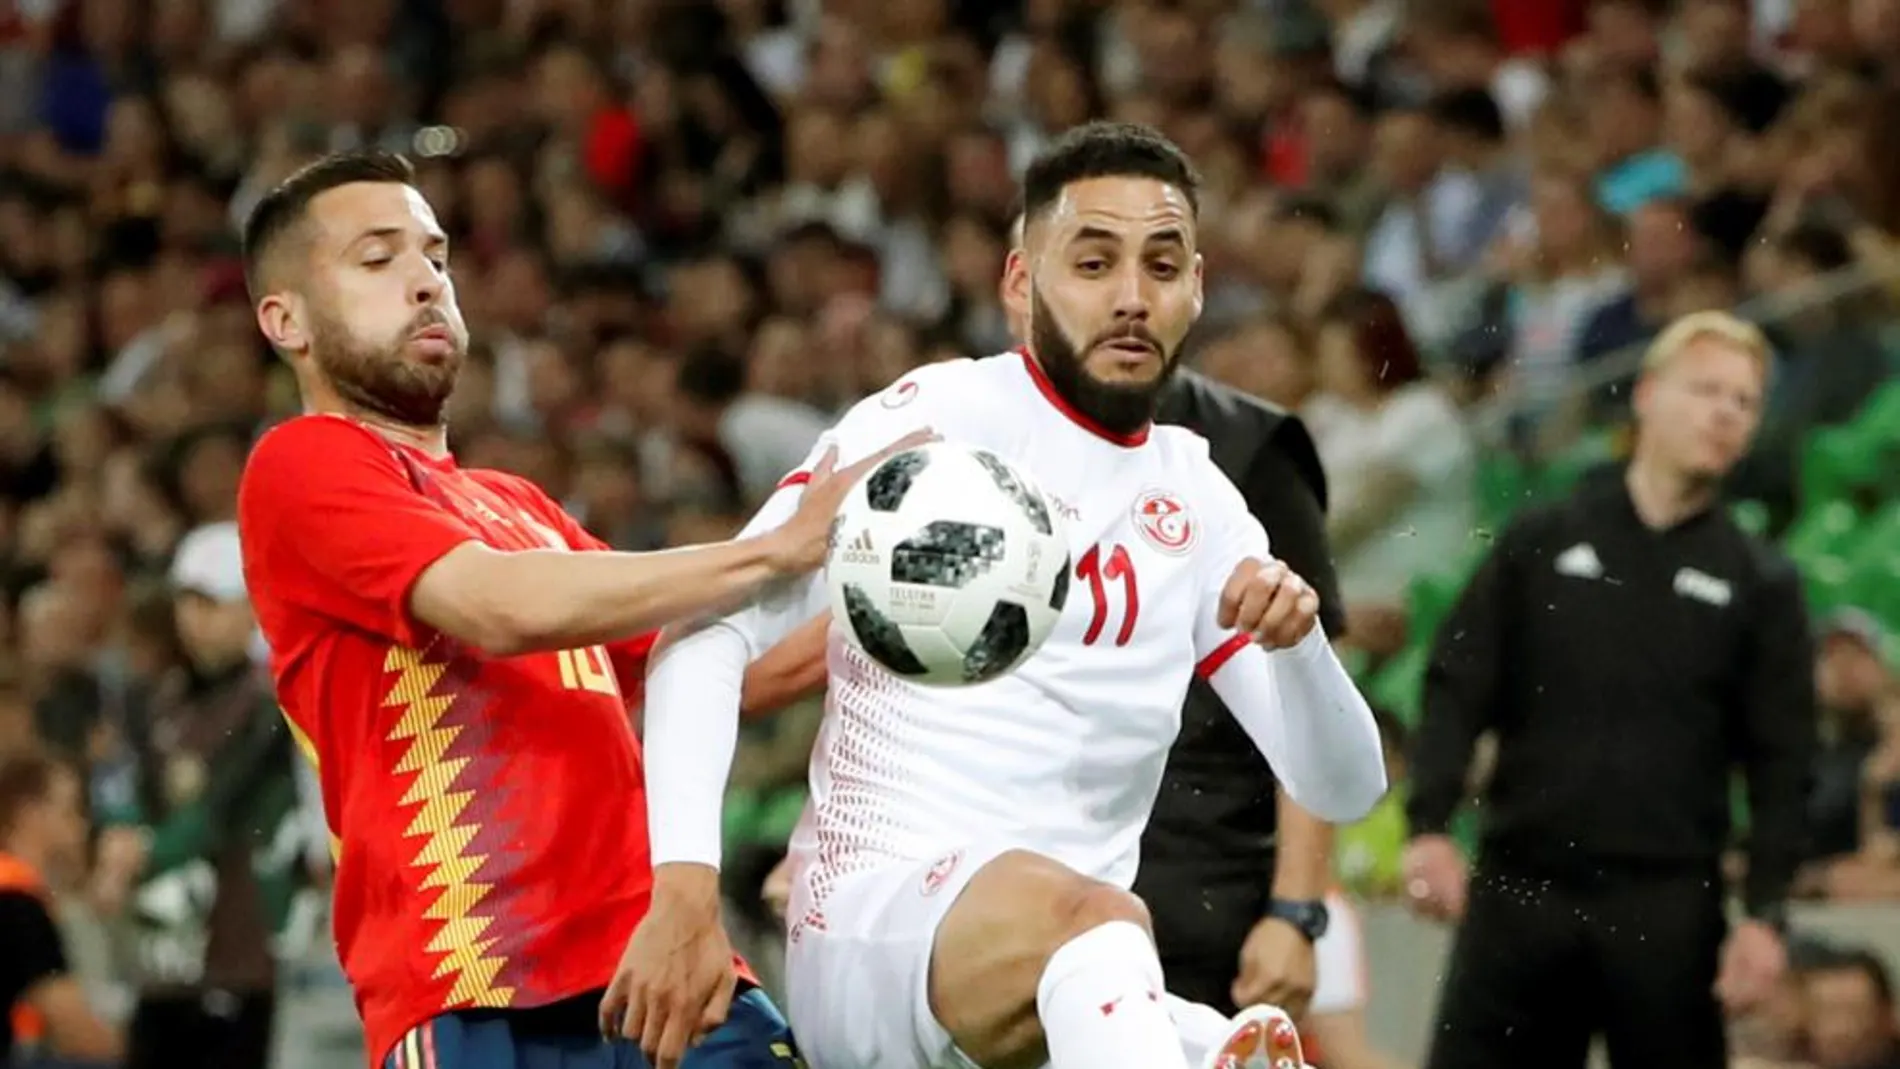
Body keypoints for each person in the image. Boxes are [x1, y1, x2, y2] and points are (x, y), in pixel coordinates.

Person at [615, 122, 1388, 1069]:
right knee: (1103, 920)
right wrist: (684, 886)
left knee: (1109, 942)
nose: (1132, 298)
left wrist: (1298, 645)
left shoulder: (1200, 499)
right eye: (1094, 263)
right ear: (1021, 284)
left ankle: (1185, 1039)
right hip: (872, 924)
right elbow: (705, 631)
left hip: (1067, 984)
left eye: (1161, 264)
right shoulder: (934, 423)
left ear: (1198, 286)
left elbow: (1345, 784)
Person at [234, 150, 912, 1069]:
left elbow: (719, 675)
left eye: (435, 256)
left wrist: (913, 597)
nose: (426, 282)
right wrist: (770, 552)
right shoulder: (302, 465)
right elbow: (494, 606)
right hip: (478, 992)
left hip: (661, 966)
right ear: (286, 320)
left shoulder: (520, 504)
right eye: (376, 259)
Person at [1403, 309, 1818, 1069]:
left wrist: (1764, 914)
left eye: (1745, 401)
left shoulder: (1760, 580)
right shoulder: (1543, 540)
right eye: (1707, 390)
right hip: (1521, 885)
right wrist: (1428, 823)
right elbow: (1457, 684)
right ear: (1649, 394)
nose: (1726, 412)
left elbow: (1784, 762)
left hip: (1666, 905)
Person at [88, 522, 307, 1069]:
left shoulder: (272, 703)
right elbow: (126, 777)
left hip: (242, 945)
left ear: (250, 608)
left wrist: (140, 853)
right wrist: (118, 833)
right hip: (163, 956)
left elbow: (222, 803)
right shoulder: (156, 696)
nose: (194, 619)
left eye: (212, 603)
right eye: (187, 602)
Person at [0, 748, 123, 1065]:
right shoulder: (15, 902)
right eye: (70, 811)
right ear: (29, 815)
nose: (81, 827)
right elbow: (77, 1031)